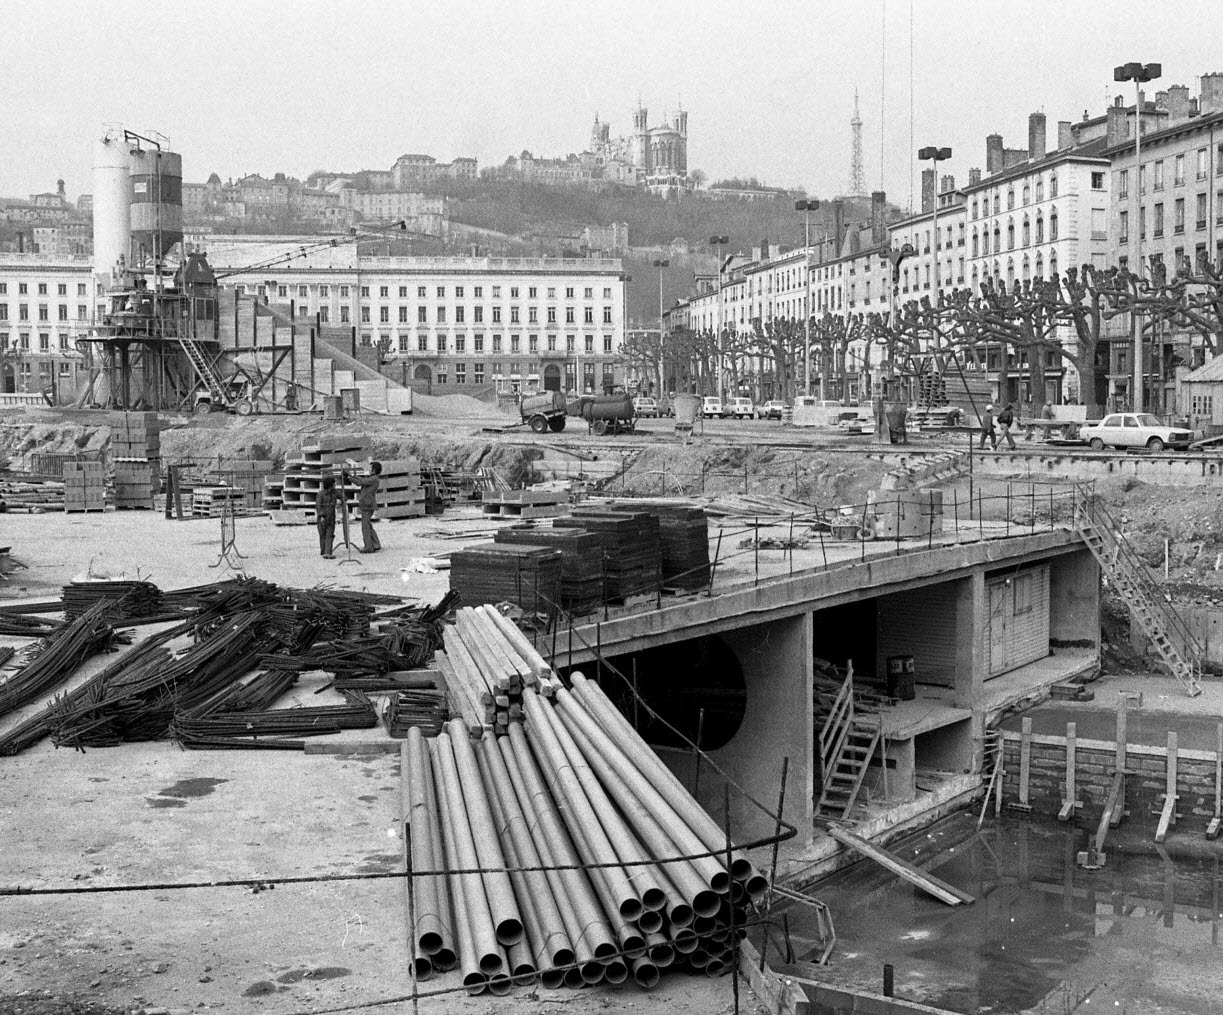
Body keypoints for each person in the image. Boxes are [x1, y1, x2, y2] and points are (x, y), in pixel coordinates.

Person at [345, 461, 383, 553]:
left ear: (374, 470)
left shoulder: (373, 479)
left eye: (370, 468)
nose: (369, 470)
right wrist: (351, 476)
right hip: (367, 504)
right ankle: (375, 544)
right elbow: (361, 480)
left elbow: (361, 482)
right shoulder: (373, 478)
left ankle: (368, 547)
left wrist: (349, 477)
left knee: (365, 527)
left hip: (368, 505)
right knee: (368, 525)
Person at [315, 475, 338, 559]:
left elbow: (343, 497)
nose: (335, 485)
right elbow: (318, 505)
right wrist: (321, 516)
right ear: (330, 485)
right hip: (323, 518)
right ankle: (324, 551)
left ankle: (327, 552)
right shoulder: (321, 494)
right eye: (334, 484)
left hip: (331, 518)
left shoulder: (334, 493)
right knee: (322, 535)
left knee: (329, 535)